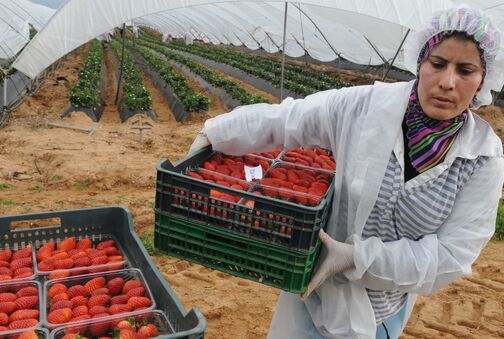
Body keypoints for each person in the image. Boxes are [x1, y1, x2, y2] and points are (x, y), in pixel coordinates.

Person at [188, 5, 504, 339]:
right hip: (313, 289)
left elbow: (450, 256)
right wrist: (216, 132)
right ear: (421, 63)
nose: (447, 82)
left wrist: (357, 258)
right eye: (438, 64)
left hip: (380, 311)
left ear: (483, 79)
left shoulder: (482, 158)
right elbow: (290, 119)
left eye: (465, 70)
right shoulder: (365, 106)